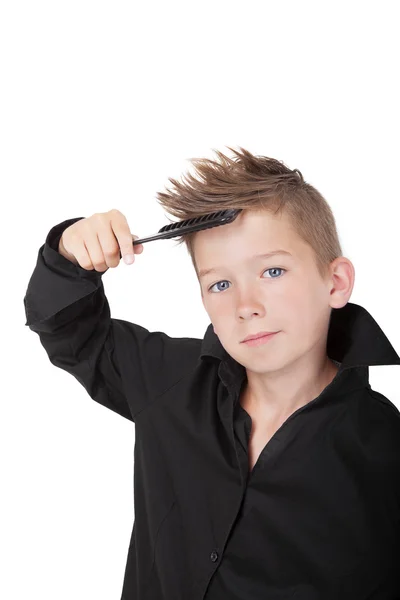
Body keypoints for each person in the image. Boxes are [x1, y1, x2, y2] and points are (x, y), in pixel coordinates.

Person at [24, 146, 400, 599]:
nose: (246, 306)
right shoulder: (169, 378)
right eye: (220, 284)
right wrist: (70, 252)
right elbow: (67, 328)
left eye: (273, 271)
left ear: (335, 282)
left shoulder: (384, 449)